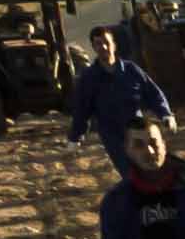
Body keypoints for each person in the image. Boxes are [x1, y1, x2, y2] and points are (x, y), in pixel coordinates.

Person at [64, 25, 172, 163]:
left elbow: (153, 93)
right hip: (112, 136)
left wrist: (165, 114)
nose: (103, 47)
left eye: (106, 42)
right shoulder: (89, 78)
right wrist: (75, 138)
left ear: (114, 45)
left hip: (137, 130)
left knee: (148, 167)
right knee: (128, 172)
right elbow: (82, 109)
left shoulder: (131, 70)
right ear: (93, 47)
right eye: (98, 44)